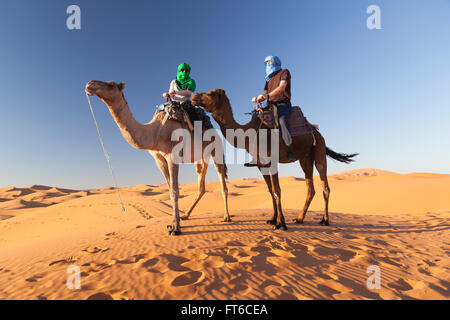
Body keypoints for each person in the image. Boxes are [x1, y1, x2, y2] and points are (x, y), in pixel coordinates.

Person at [246, 56, 295, 166]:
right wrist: (258, 98)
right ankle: (256, 156)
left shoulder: (284, 72)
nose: (268, 65)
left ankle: (289, 150)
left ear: (276, 63)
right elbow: (264, 94)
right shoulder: (268, 79)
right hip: (270, 105)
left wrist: (267, 96)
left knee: (282, 121)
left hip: (283, 104)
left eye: (270, 62)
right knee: (255, 120)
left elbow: (282, 87)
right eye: (266, 63)